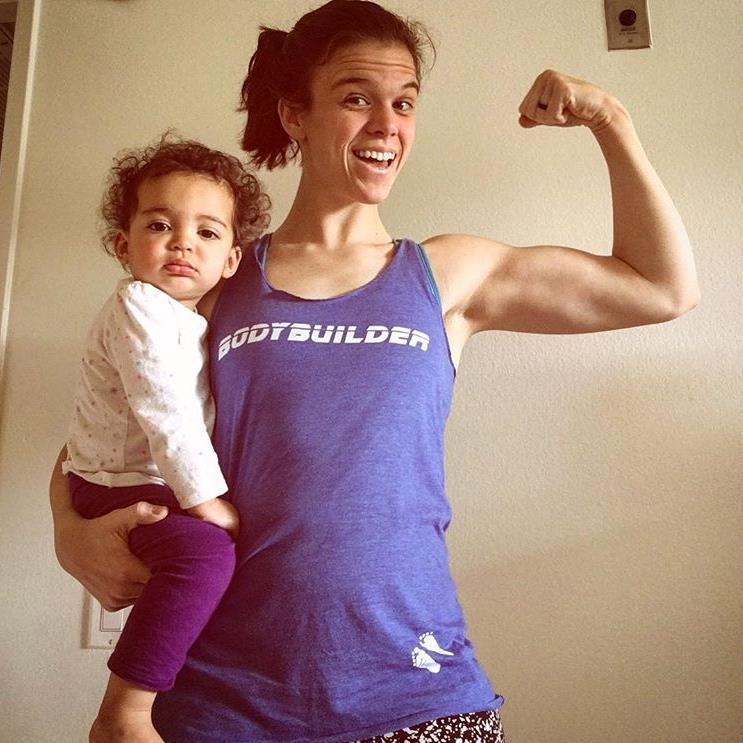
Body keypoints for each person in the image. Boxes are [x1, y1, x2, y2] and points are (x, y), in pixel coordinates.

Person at [50, 1, 699, 741]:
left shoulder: (446, 275)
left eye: (405, 103)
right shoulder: (216, 279)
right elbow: (108, 422)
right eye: (357, 98)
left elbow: (662, 288)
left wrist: (610, 119)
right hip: (225, 699)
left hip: (416, 691)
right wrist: (70, 530)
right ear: (295, 114)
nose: (387, 125)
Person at [60, 135, 270, 742]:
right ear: (124, 246)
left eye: (207, 232)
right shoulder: (139, 305)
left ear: (230, 260)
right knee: (202, 555)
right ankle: (124, 713)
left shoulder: (192, 323)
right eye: (160, 225)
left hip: (143, 481)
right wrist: (205, 500)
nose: (182, 242)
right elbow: (165, 409)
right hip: (114, 485)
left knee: (209, 565)